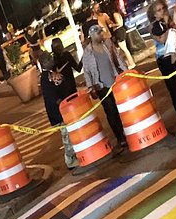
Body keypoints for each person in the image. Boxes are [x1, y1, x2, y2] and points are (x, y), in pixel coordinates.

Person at [82, 24, 128, 146]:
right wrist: (91, 87)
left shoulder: (107, 44)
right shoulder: (88, 52)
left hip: (116, 83)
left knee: (121, 109)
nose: (101, 35)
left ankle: (127, 131)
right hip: (101, 87)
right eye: (98, 33)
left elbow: (118, 59)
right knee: (111, 112)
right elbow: (86, 71)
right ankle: (120, 137)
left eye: (101, 32)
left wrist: (127, 72)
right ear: (92, 35)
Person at [42, 40, 82, 169]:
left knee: (70, 133)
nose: (51, 60)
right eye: (49, 59)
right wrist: (62, 104)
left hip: (62, 108)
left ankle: (74, 156)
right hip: (59, 112)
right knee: (67, 136)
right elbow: (52, 96)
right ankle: (70, 160)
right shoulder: (46, 77)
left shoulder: (49, 75)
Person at [108, 0, 137, 67]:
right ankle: (129, 63)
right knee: (123, 49)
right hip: (121, 31)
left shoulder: (115, 14)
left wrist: (112, 25)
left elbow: (119, 24)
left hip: (119, 32)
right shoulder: (118, 13)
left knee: (124, 49)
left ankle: (131, 63)